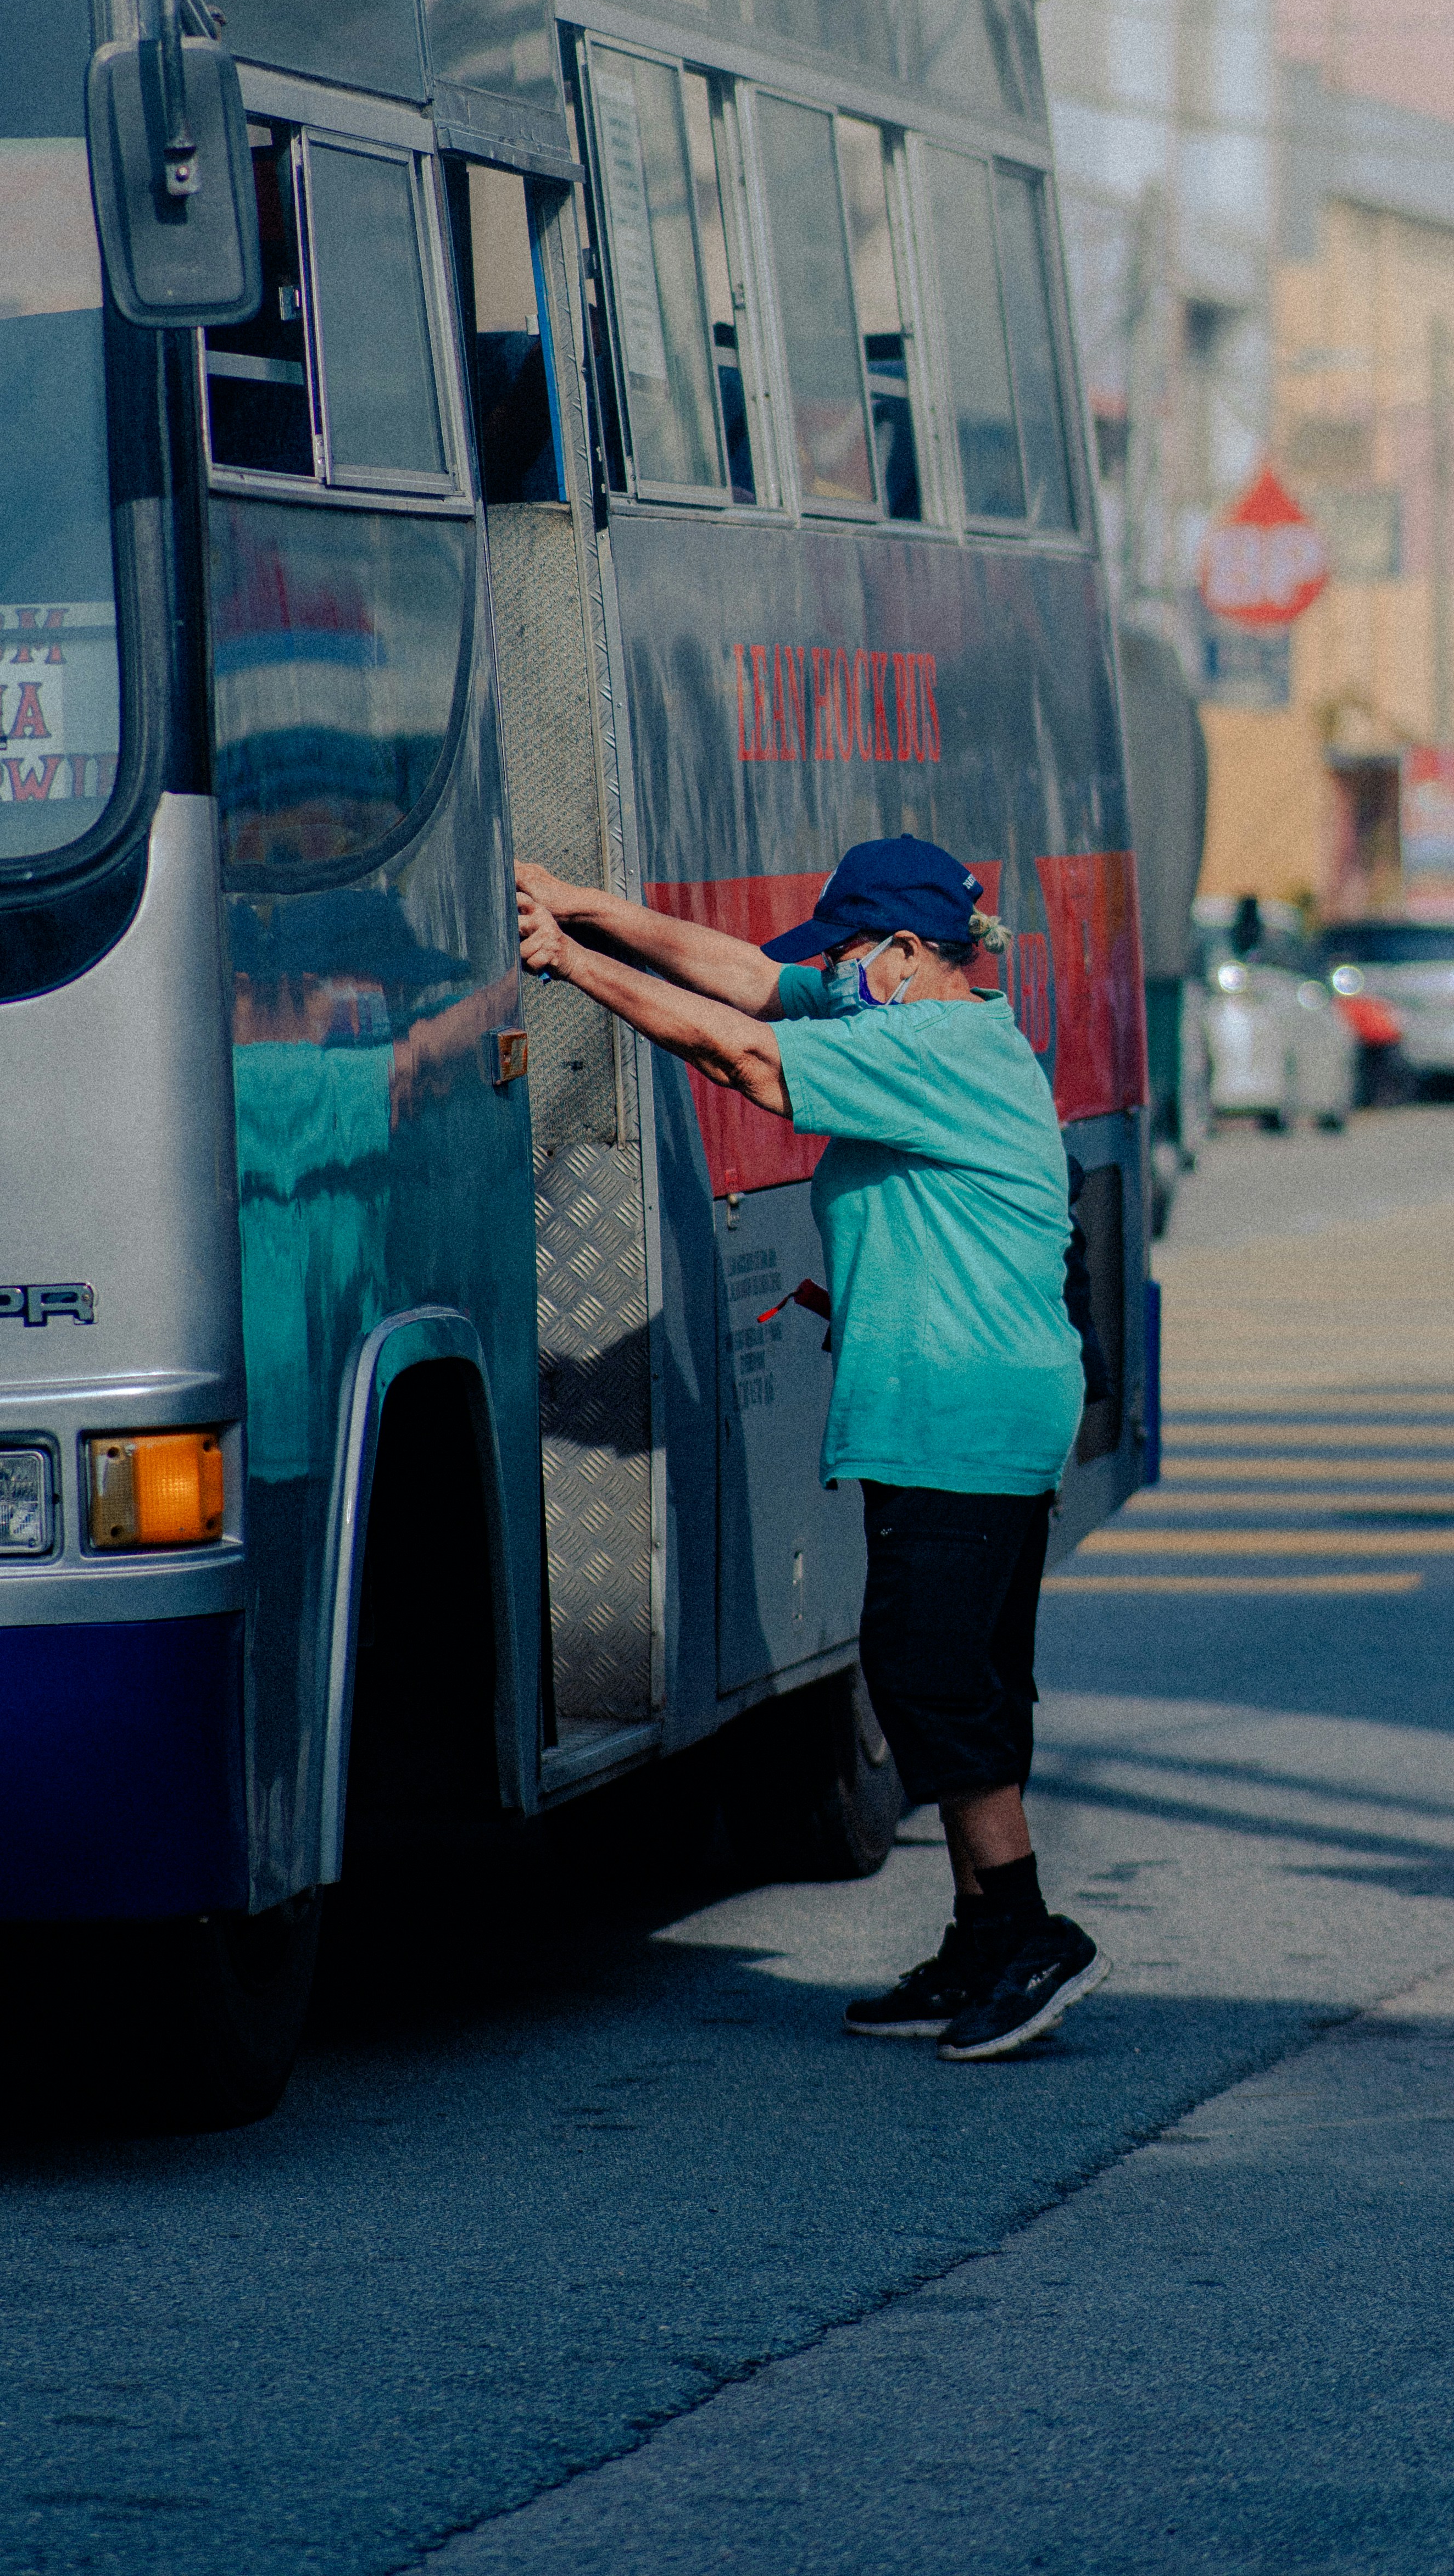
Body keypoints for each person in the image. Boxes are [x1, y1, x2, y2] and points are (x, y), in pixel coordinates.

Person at [515, 835, 1108, 2062]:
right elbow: (745, 981)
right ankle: (983, 1933)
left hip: (964, 1407)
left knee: (931, 1671)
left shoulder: (929, 1049)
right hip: (955, 1396)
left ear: (899, 957)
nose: (818, 975)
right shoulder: (923, 1025)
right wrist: (587, 904)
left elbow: (738, 1053)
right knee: (946, 1666)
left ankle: (1028, 1932)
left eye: (837, 954)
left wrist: (570, 963)